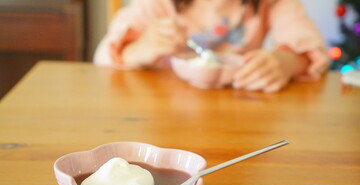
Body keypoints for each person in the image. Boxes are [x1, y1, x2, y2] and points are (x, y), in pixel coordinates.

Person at [94, 0, 329, 92]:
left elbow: (310, 47)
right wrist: (141, 47)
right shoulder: (158, 3)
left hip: (244, 114)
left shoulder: (271, 3)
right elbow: (103, 56)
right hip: (169, 117)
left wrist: (285, 63)